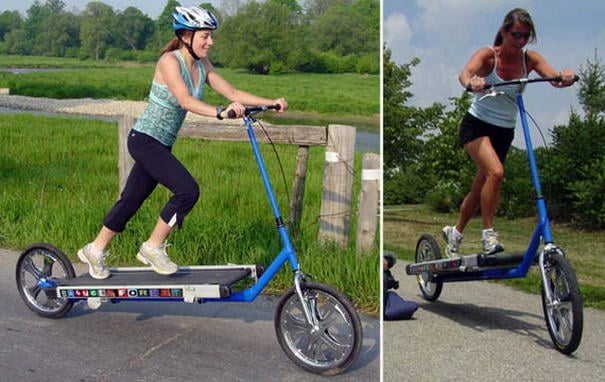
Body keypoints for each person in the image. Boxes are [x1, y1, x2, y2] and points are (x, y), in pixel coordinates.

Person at [78, 6, 288, 279]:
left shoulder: (202, 65)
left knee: (131, 201)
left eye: (210, 36)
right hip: (144, 140)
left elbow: (233, 92)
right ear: (186, 35)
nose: (210, 42)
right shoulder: (169, 61)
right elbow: (185, 100)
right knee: (187, 191)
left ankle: (94, 249)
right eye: (205, 36)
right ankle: (152, 247)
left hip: (161, 144)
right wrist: (220, 113)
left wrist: (270, 102)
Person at [442, 8, 575, 258]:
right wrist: (473, 83)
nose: (521, 41)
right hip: (477, 126)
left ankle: (455, 233)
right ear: (504, 32)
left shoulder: (530, 60)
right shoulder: (488, 56)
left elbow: (554, 79)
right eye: (516, 35)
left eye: (526, 36)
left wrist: (564, 77)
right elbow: (465, 74)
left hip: (504, 130)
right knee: (497, 172)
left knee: (481, 184)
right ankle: (488, 236)